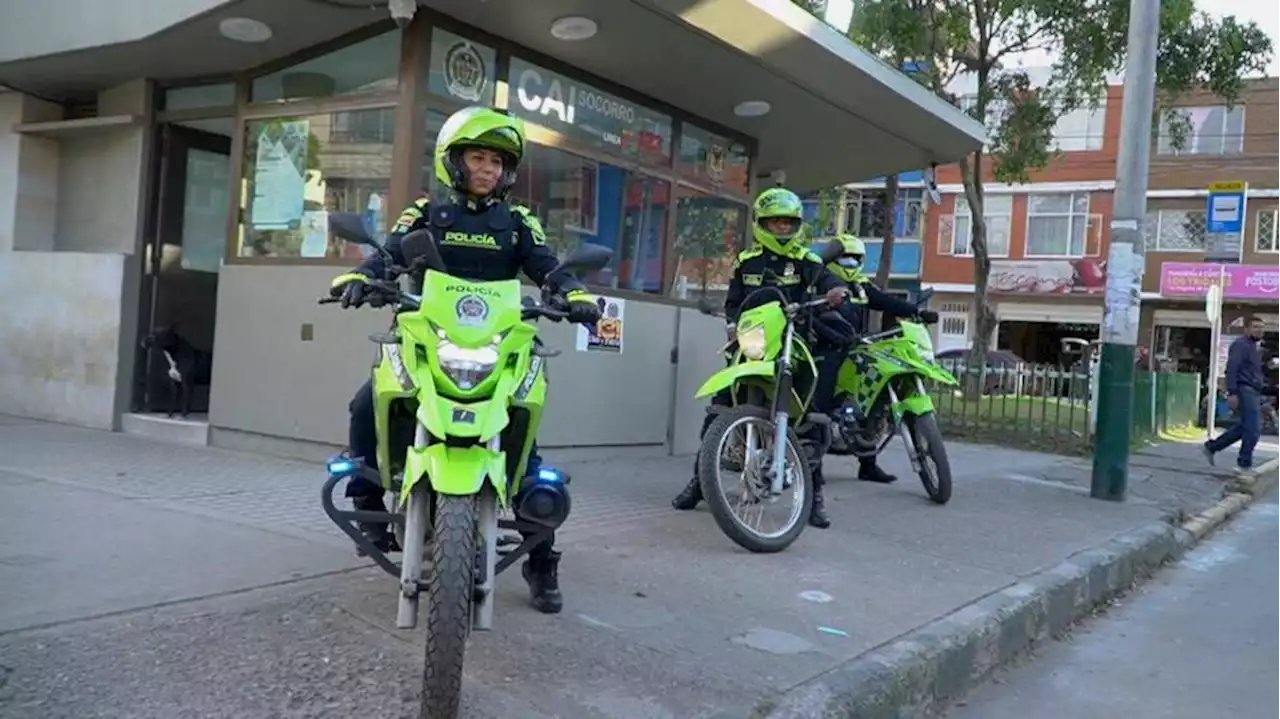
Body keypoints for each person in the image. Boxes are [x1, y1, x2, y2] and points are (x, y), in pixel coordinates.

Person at [329, 106, 601, 614]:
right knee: (367, 404)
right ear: (453, 161)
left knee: (524, 438)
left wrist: (574, 292)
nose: (488, 169)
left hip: (497, 345)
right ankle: (367, 504)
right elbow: (387, 253)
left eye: (498, 162)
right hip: (425, 339)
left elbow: (546, 267)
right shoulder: (425, 213)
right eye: (478, 157)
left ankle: (540, 558)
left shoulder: (518, 222)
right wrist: (365, 277)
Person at [671, 187, 850, 528]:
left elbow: (828, 280)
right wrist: (731, 323)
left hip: (791, 344)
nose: (782, 229)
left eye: (788, 223)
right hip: (751, 343)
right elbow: (734, 302)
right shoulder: (746, 261)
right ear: (761, 224)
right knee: (719, 408)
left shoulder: (807, 260)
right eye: (775, 223)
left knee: (809, 418)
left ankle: (814, 496)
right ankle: (700, 481)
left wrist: (836, 290)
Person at [817, 235, 939, 485]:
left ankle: (868, 465)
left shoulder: (862, 286)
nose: (851, 264)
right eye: (845, 258)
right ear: (832, 259)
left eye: (856, 259)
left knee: (871, 402)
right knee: (821, 407)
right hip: (826, 348)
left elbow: (887, 302)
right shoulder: (822, 285)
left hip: (857, 347)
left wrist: (918, 312)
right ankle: (812, 469)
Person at [1203, 316, 1265, 473]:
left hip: (1253, 390)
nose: (1259, 330)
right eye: (1255, 327)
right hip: (1244, 389)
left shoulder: (1253, 346)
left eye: (1261, 327)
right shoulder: (1241, 344)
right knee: (1254, 429)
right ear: (1247, 329)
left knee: (1245, 427)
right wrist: (1232, 392)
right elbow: (1231, 368)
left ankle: (1212, 447)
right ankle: (1244, 464)